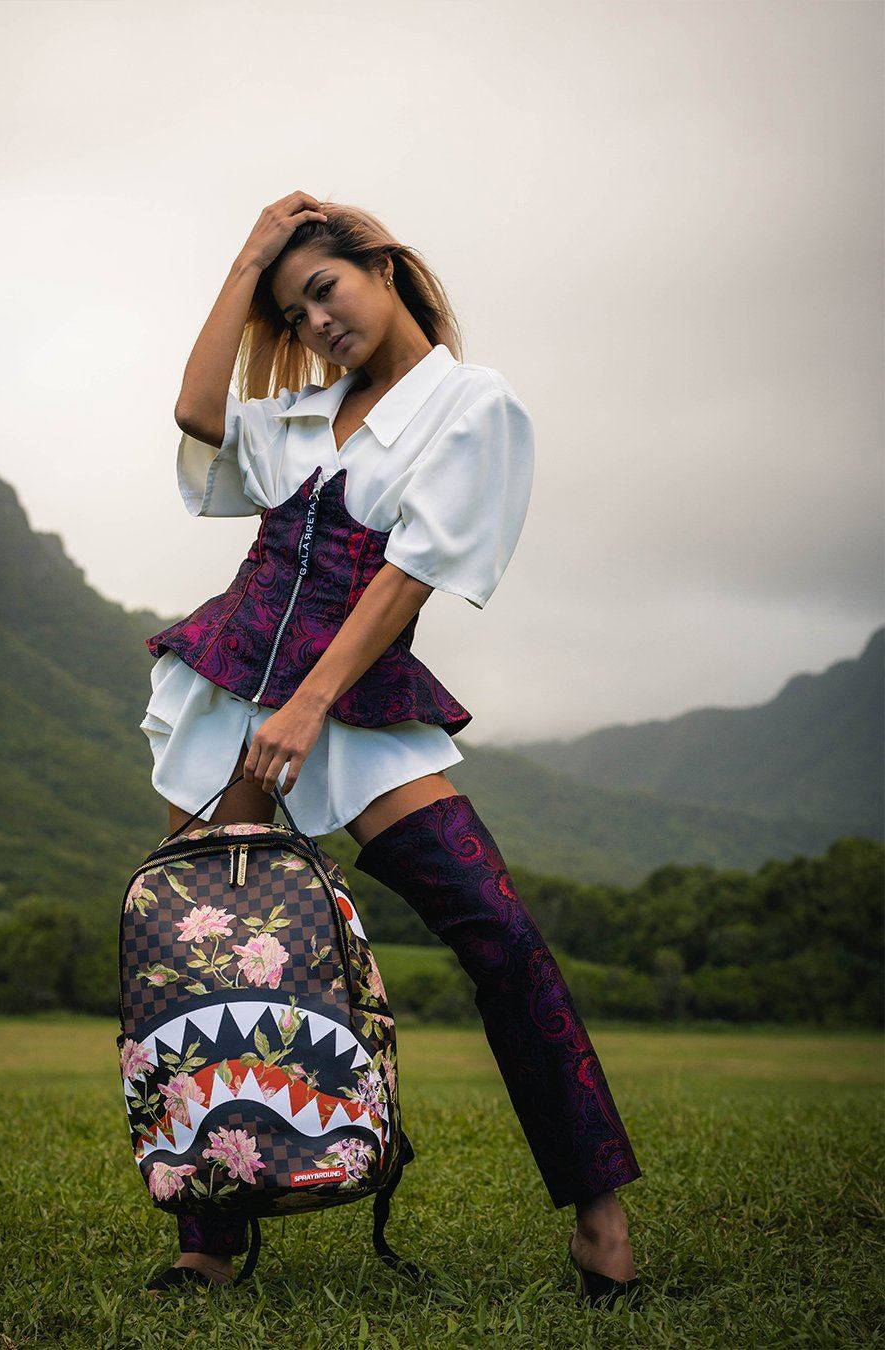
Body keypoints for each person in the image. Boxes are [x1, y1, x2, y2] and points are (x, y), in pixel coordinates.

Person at [139, 192, 643, 1306]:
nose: (317, 320)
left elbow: (409, 572)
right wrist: (251, 257)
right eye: (294, 308)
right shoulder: (297, 415)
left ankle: (600, 1219)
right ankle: (206, 1241)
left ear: (387, 268)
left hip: (351, 703)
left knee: (500, 936)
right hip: (229, 690)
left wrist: (311, 707)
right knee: (203, 962)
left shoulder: (472, 404)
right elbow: (195, 405)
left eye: (325, 287)